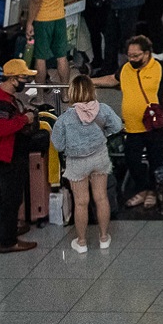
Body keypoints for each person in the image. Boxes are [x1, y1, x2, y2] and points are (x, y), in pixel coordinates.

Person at [92, 34, 163, 209]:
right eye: (129, 55)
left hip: (153, 126)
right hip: (132, 126)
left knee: (155, 159)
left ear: (147, 53)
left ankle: (152, 191)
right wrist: (90, 81)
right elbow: (113, 79)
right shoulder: (125, 68)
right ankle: (143, 189)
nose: (132, 59)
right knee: (132, 159)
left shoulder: (161, 67)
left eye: (136, 56)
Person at [50, 74, 122, 253]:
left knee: (81, 202)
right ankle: (104, 238)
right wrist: (103, 134)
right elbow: (118, 126)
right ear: (92, 90)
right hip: (99, 158)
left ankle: (81, 242)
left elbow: (57, 145)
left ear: (72, 92)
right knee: (101, 198)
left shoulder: (65, 119)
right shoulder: (103, 109)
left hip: (77, 163)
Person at [0, 58, 38, 254]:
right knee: (10, 199)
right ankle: (8, 240)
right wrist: (25, 119)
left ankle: (10, 227)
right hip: (6, 157)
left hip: (7, 154)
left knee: (10, 197)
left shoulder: (1, 95)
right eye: (23, 78)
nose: (26, 82)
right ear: (13, 79)